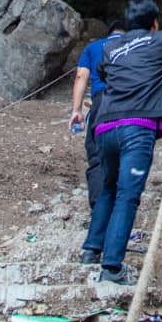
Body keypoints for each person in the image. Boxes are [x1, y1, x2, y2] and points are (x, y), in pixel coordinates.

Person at [80, 0, 162, 285]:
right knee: (127, 194)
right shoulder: (160, 40)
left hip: (105, 126)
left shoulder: (110, 47)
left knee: (109, 187)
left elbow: (102, 74)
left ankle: (91, 249)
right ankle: (111, 267)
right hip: (137, 126)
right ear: (155, 23)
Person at [67, 21, 125, 220]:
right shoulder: (136, 45)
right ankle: (121, 214)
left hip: (102, 104)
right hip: (131, 104)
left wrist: (77, 110)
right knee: (126, 156)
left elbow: (81, 75)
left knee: (98, 158)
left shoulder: (93, 48)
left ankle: (99, 214)